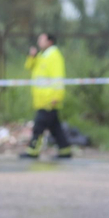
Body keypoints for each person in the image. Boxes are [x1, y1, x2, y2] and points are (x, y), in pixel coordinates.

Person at [23, 31, 71, 160]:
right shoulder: (42, 56)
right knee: (55, 127)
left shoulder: (54, 56)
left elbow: (58, 78)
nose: (39, 42)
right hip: (41, 99)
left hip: (49, 100)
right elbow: (29, 67)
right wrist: (32, 56)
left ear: (50, 41)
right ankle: (65, 150)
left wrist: (57, 97)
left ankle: (33, 151)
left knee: (38, 126)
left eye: (42, 39)